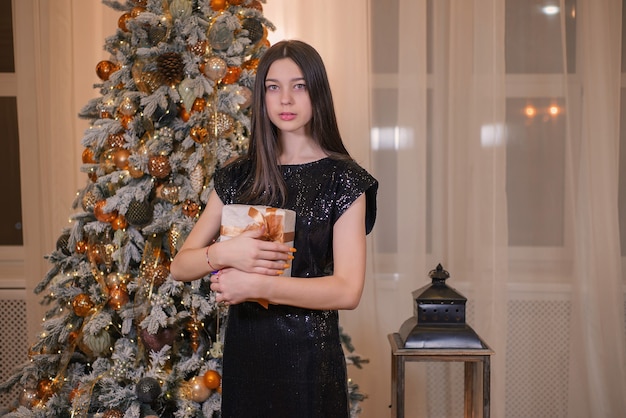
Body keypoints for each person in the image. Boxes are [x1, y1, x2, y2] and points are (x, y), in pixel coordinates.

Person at [170, 39, 378, 417]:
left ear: (317, 93)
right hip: (246, 360)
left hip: (311, 364)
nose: (285, 99)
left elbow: (348, 290)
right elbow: (180, 266)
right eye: (273, 87)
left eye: (298, 86)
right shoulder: (237, 176)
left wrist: (258, 285)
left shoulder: (344, 180)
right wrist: (223, 254)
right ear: (261, 97)